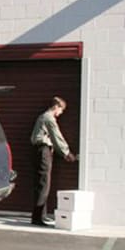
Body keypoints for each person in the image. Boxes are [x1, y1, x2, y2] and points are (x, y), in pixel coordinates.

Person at [30, 96, 77, 226]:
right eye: (61, 110)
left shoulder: (43, 117)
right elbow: (57, 137)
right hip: (43, 151)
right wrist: (67, 153)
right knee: (44, 183)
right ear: (56, 106)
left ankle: (41, 215)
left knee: (41, 183)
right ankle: (37, 217)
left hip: (39, 151)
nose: (60, 113)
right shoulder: (49, 118)